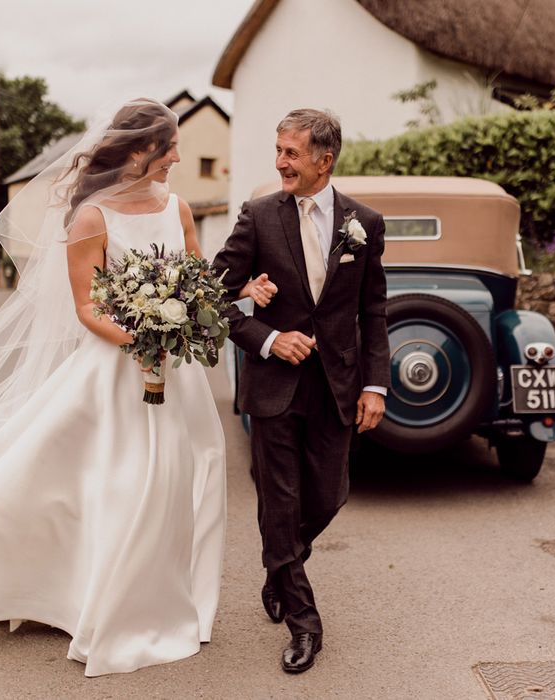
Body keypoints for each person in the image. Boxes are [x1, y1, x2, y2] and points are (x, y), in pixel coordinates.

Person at [0, 98, 273, 677]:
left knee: (186, 480)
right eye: (170, 146)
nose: (179, 156)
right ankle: (83, 593)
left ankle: (177, 599)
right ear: (137, 150)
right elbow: (86, 307)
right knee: (105, 482)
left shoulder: (177, 207)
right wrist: (144, 341)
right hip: (114, 373)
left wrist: (239, 292)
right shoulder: (91, 218)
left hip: (175, 376)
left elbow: (201, 284)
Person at [213, 109, 390, 673]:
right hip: (274, 389)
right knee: (280, 504)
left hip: (337, 387)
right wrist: (267, 338)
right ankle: (304, 620)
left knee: (328, 496)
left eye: (291, 153)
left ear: (324, 160)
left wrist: (375, 384)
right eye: (278, 150)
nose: (279, 162)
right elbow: (214, 301)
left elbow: (373, 310)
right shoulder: (258, 217)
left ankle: (278, 569)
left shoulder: (366, 223)